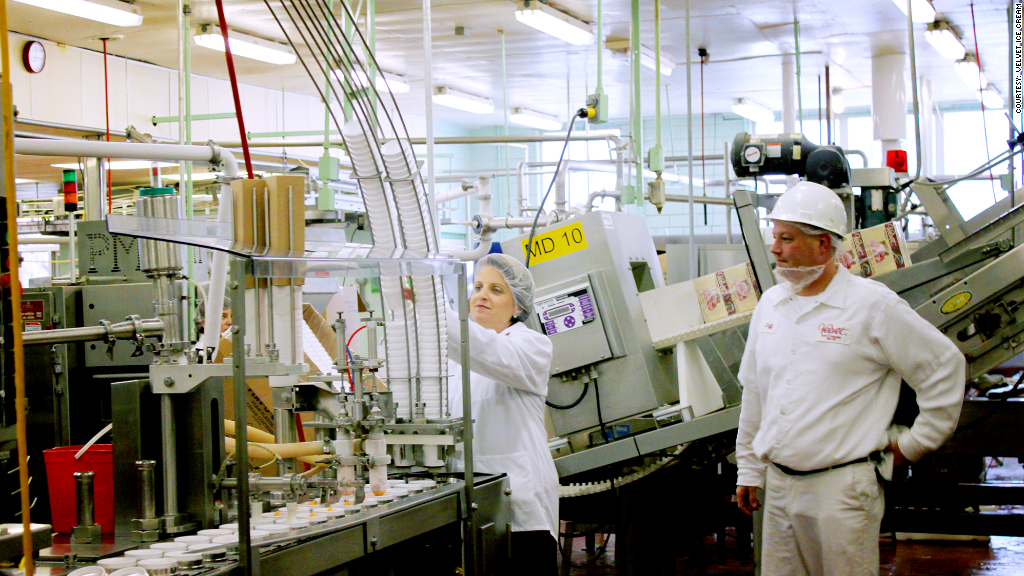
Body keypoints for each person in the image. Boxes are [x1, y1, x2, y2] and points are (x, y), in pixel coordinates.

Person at [734, 181, 965, 576]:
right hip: (780, 487)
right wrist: (749, 469)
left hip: (841, 491)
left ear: (823, 245)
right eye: (775, 237)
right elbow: (756, 393)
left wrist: (915, 442)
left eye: (787, 239)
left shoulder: (871, 305)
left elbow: (945, 364)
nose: (775, 249)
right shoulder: (771, 304)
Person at [446, 253, 558, 575]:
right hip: (471, 507)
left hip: (522, 510)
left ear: (518, 306)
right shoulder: (453, 360)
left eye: (496, 290)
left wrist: (433, 310)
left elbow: (486, 351)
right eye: (478, 286)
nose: (481, 294)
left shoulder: (530, 346)